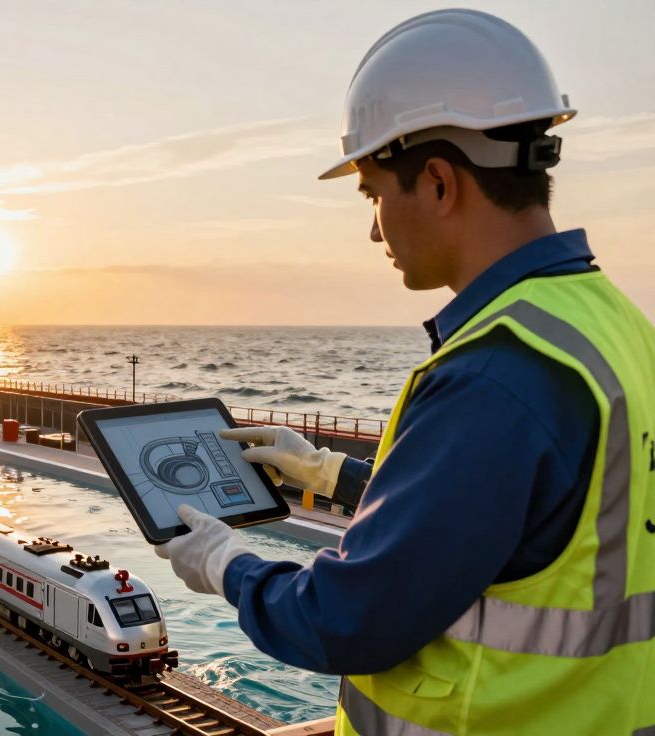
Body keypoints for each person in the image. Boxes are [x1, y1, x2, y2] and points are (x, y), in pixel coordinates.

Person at [154, 10, 655, 735]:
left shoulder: (495, 374)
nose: (373, 228)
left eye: (374, 194)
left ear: (440, 183)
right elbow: (509, 519)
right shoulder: (613, 328)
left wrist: (225, 565)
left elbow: (344, 620)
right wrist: (330, 473)